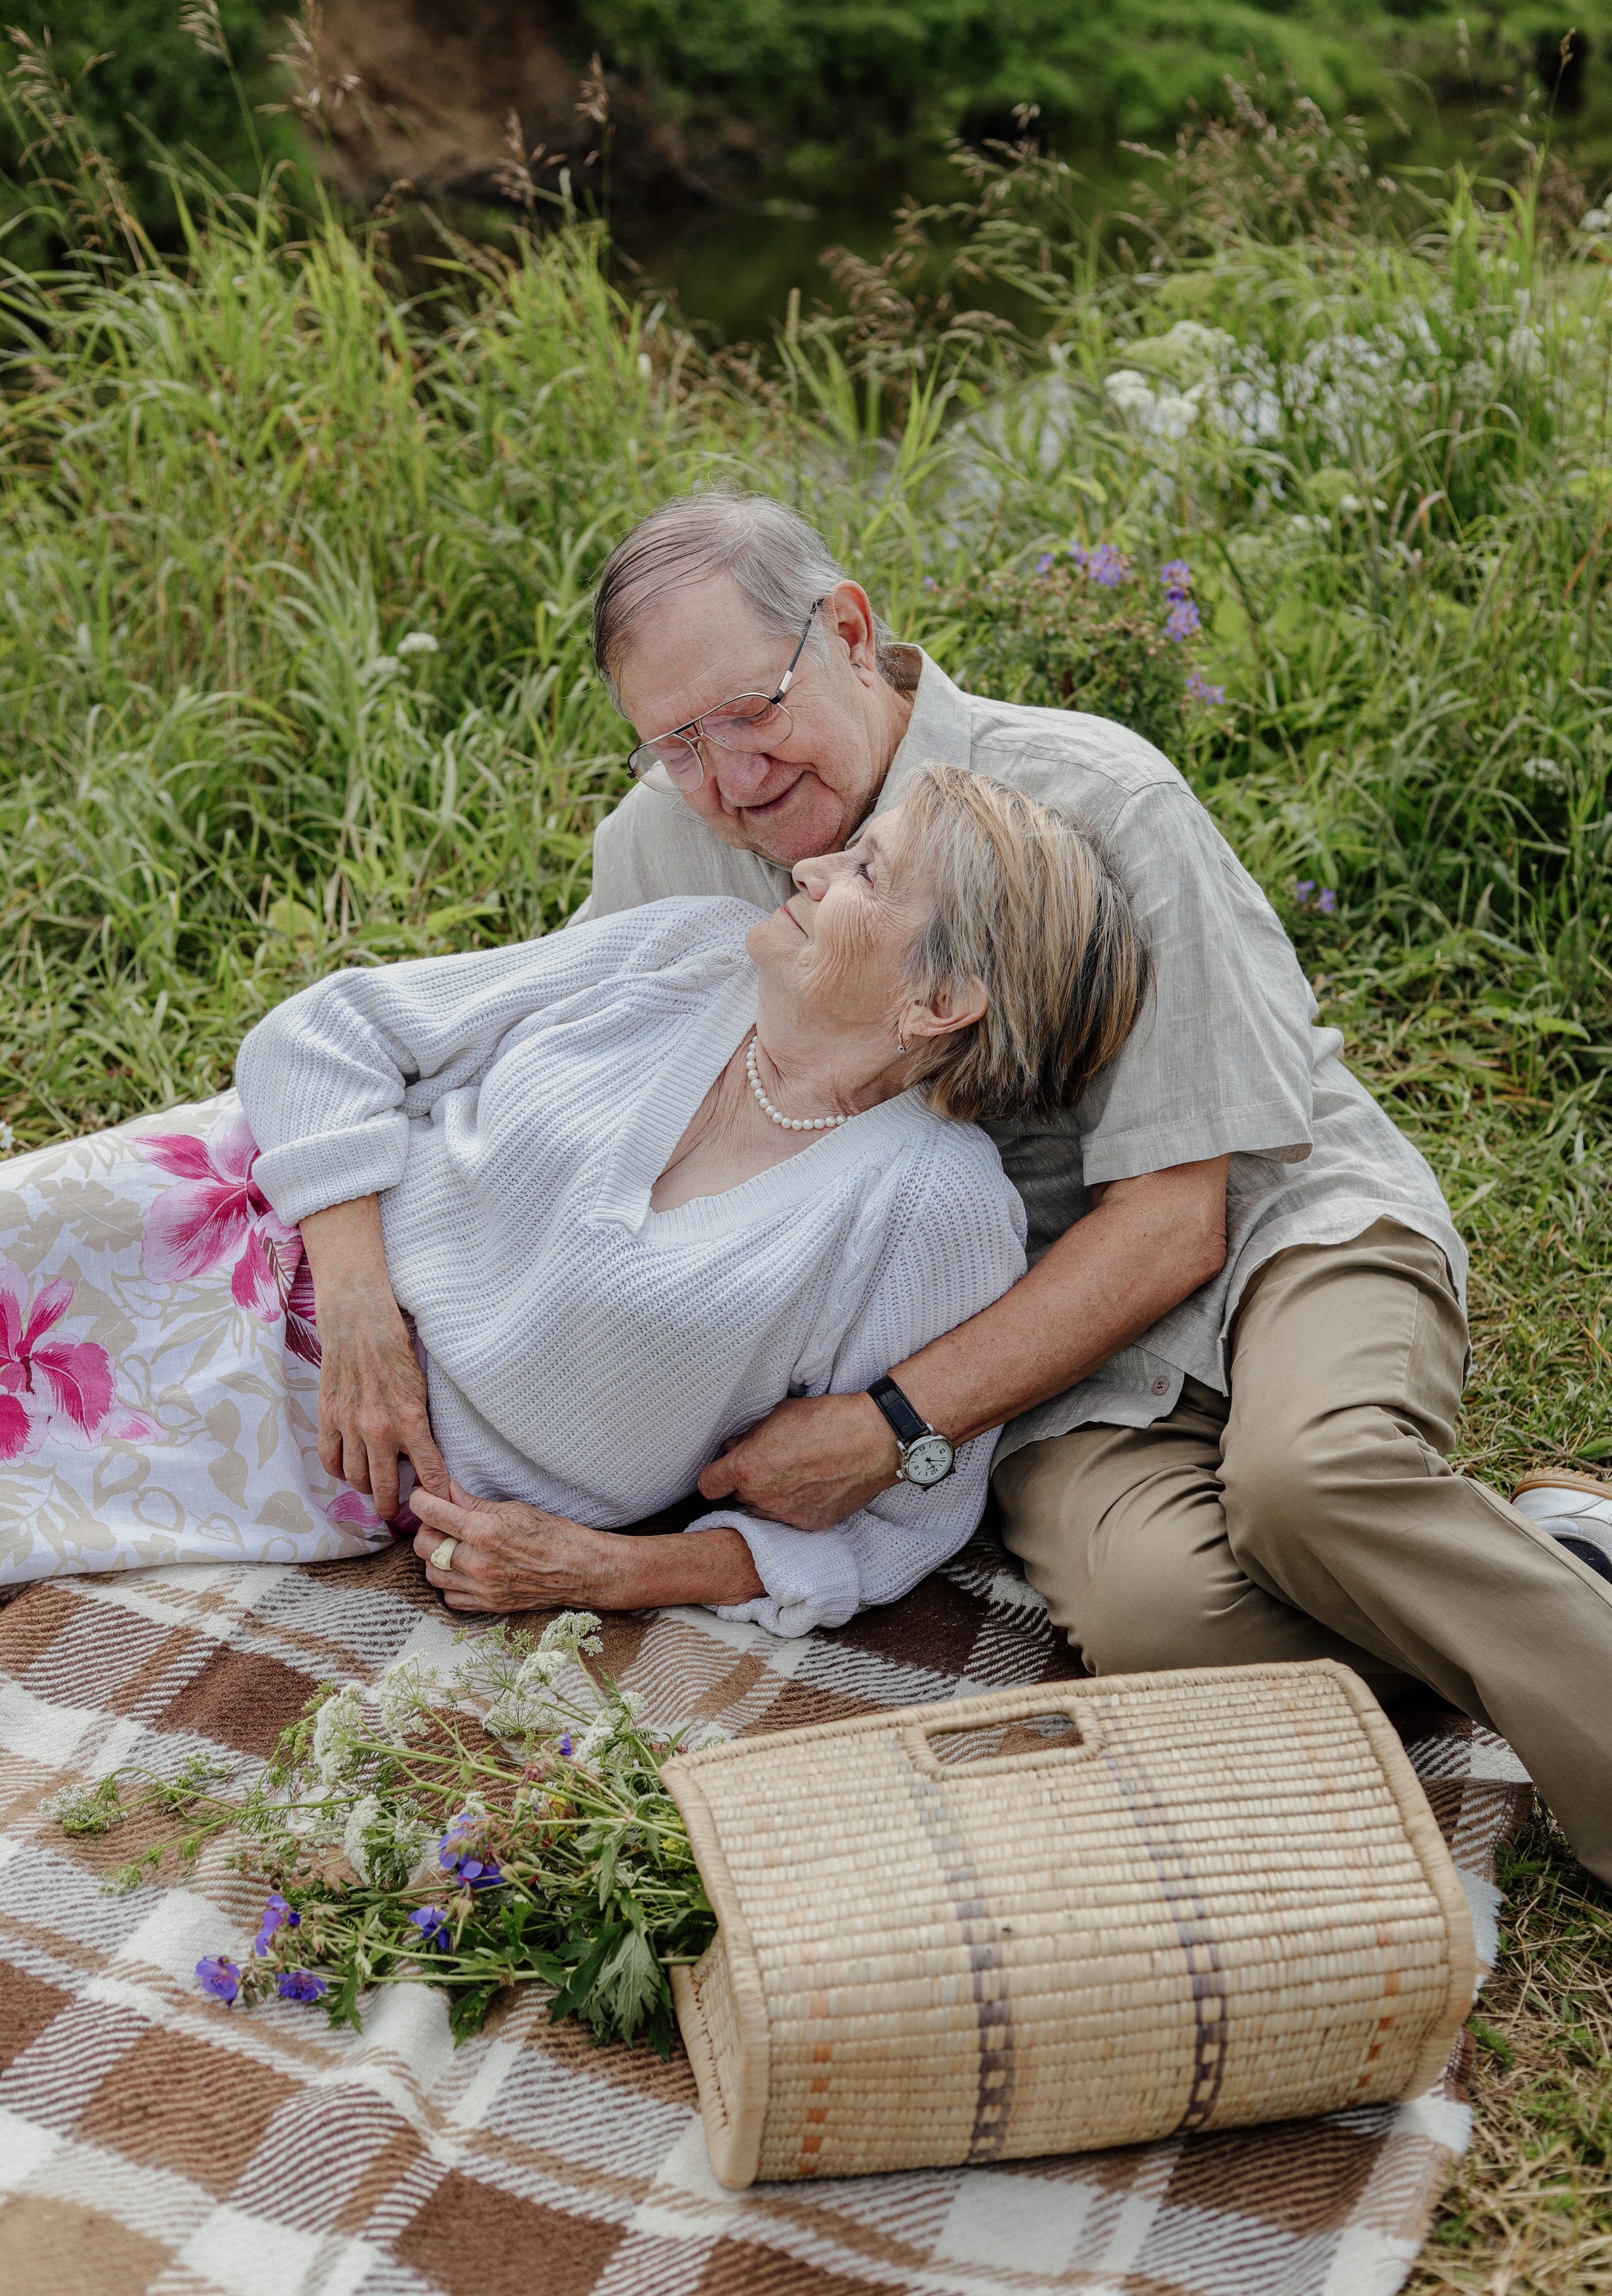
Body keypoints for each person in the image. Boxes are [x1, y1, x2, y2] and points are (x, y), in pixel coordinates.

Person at [574, 487, 1612, 1883]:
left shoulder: (1097, 795)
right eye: (676, 743)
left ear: (847, 629)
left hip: (1270, 1231)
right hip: (1031, 1357)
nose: (731, 779)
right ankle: (1544, 1568)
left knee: (1306, 1485)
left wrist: (888, 1426)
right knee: (1158, 1624)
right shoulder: (657, 849)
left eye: (752, 710)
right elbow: (568, 1078)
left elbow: (1177, 1218)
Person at [0, 764, 1148, 1640]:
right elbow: (329, 1031)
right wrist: (357, 1304)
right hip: (237, 1214)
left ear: (940, 1001)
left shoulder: (932, 1211)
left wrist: (606, 1571)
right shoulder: (689, 952)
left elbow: (892, 1525)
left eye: (868, 875)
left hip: (303, 1453)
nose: (811, 867)